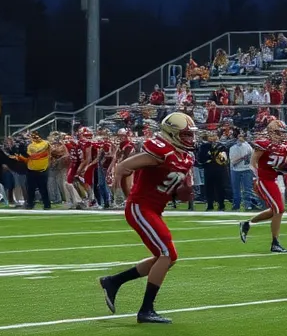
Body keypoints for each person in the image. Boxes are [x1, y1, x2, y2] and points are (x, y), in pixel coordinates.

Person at [98, 113, 197, 324]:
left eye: (190, 134)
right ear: (172, 133)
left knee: (167, 257)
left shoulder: (186, 157)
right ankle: (145, 310)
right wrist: (128, 196)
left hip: (153, 209)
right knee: (166, 254)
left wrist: (181, 192)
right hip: (141, 207)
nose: (190, 139)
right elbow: (124, 167)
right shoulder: (161, 151)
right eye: (185, 134)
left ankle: (113, 281)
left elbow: (171, 189)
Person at [239, 119, 287, 253]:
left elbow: (285, 169)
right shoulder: (264, 144)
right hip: (263, 180)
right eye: (279, 133)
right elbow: (253, 162)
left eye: (283, 133)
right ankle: (275, 243)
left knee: (276, 210)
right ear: (271, 132)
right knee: (279, 209)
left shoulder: (284, 148)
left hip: (273, 180)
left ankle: (247, 223)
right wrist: (256, 178)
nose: (282, 136)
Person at [201, 130, 229, 210]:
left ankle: (221, 204)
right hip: (208, 169)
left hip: (219, 169)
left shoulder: (222, 146)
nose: (212, 138)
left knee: (220, 187)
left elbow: (224, 158)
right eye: (210, 136)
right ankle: (210, 205)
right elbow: (201, 157)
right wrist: (207, 160)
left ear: (217, 137)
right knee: (208, 187)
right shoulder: (204, 146)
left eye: (214, 136)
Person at [24, 129, 52, 209]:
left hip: (42, 169)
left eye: (36, 135)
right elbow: (30, 155)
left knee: (43, 188)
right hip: (31, 169)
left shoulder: (46, 143)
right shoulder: (30, 145)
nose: (35, 137)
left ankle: (47, 204)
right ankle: (30, 204)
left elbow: (38, 152)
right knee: (30, 188)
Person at [228, 131, 254, 211]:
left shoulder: (248, 146)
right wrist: (242, 158)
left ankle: (248, 205)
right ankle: (236, 204)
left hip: (247, 169)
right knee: (236, 189)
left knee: (248, 188)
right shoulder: (232, 148)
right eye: (239, 136)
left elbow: (251, 157)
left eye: (242, 136)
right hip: (235, 170)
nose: (241, 138)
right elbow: (233, 162)